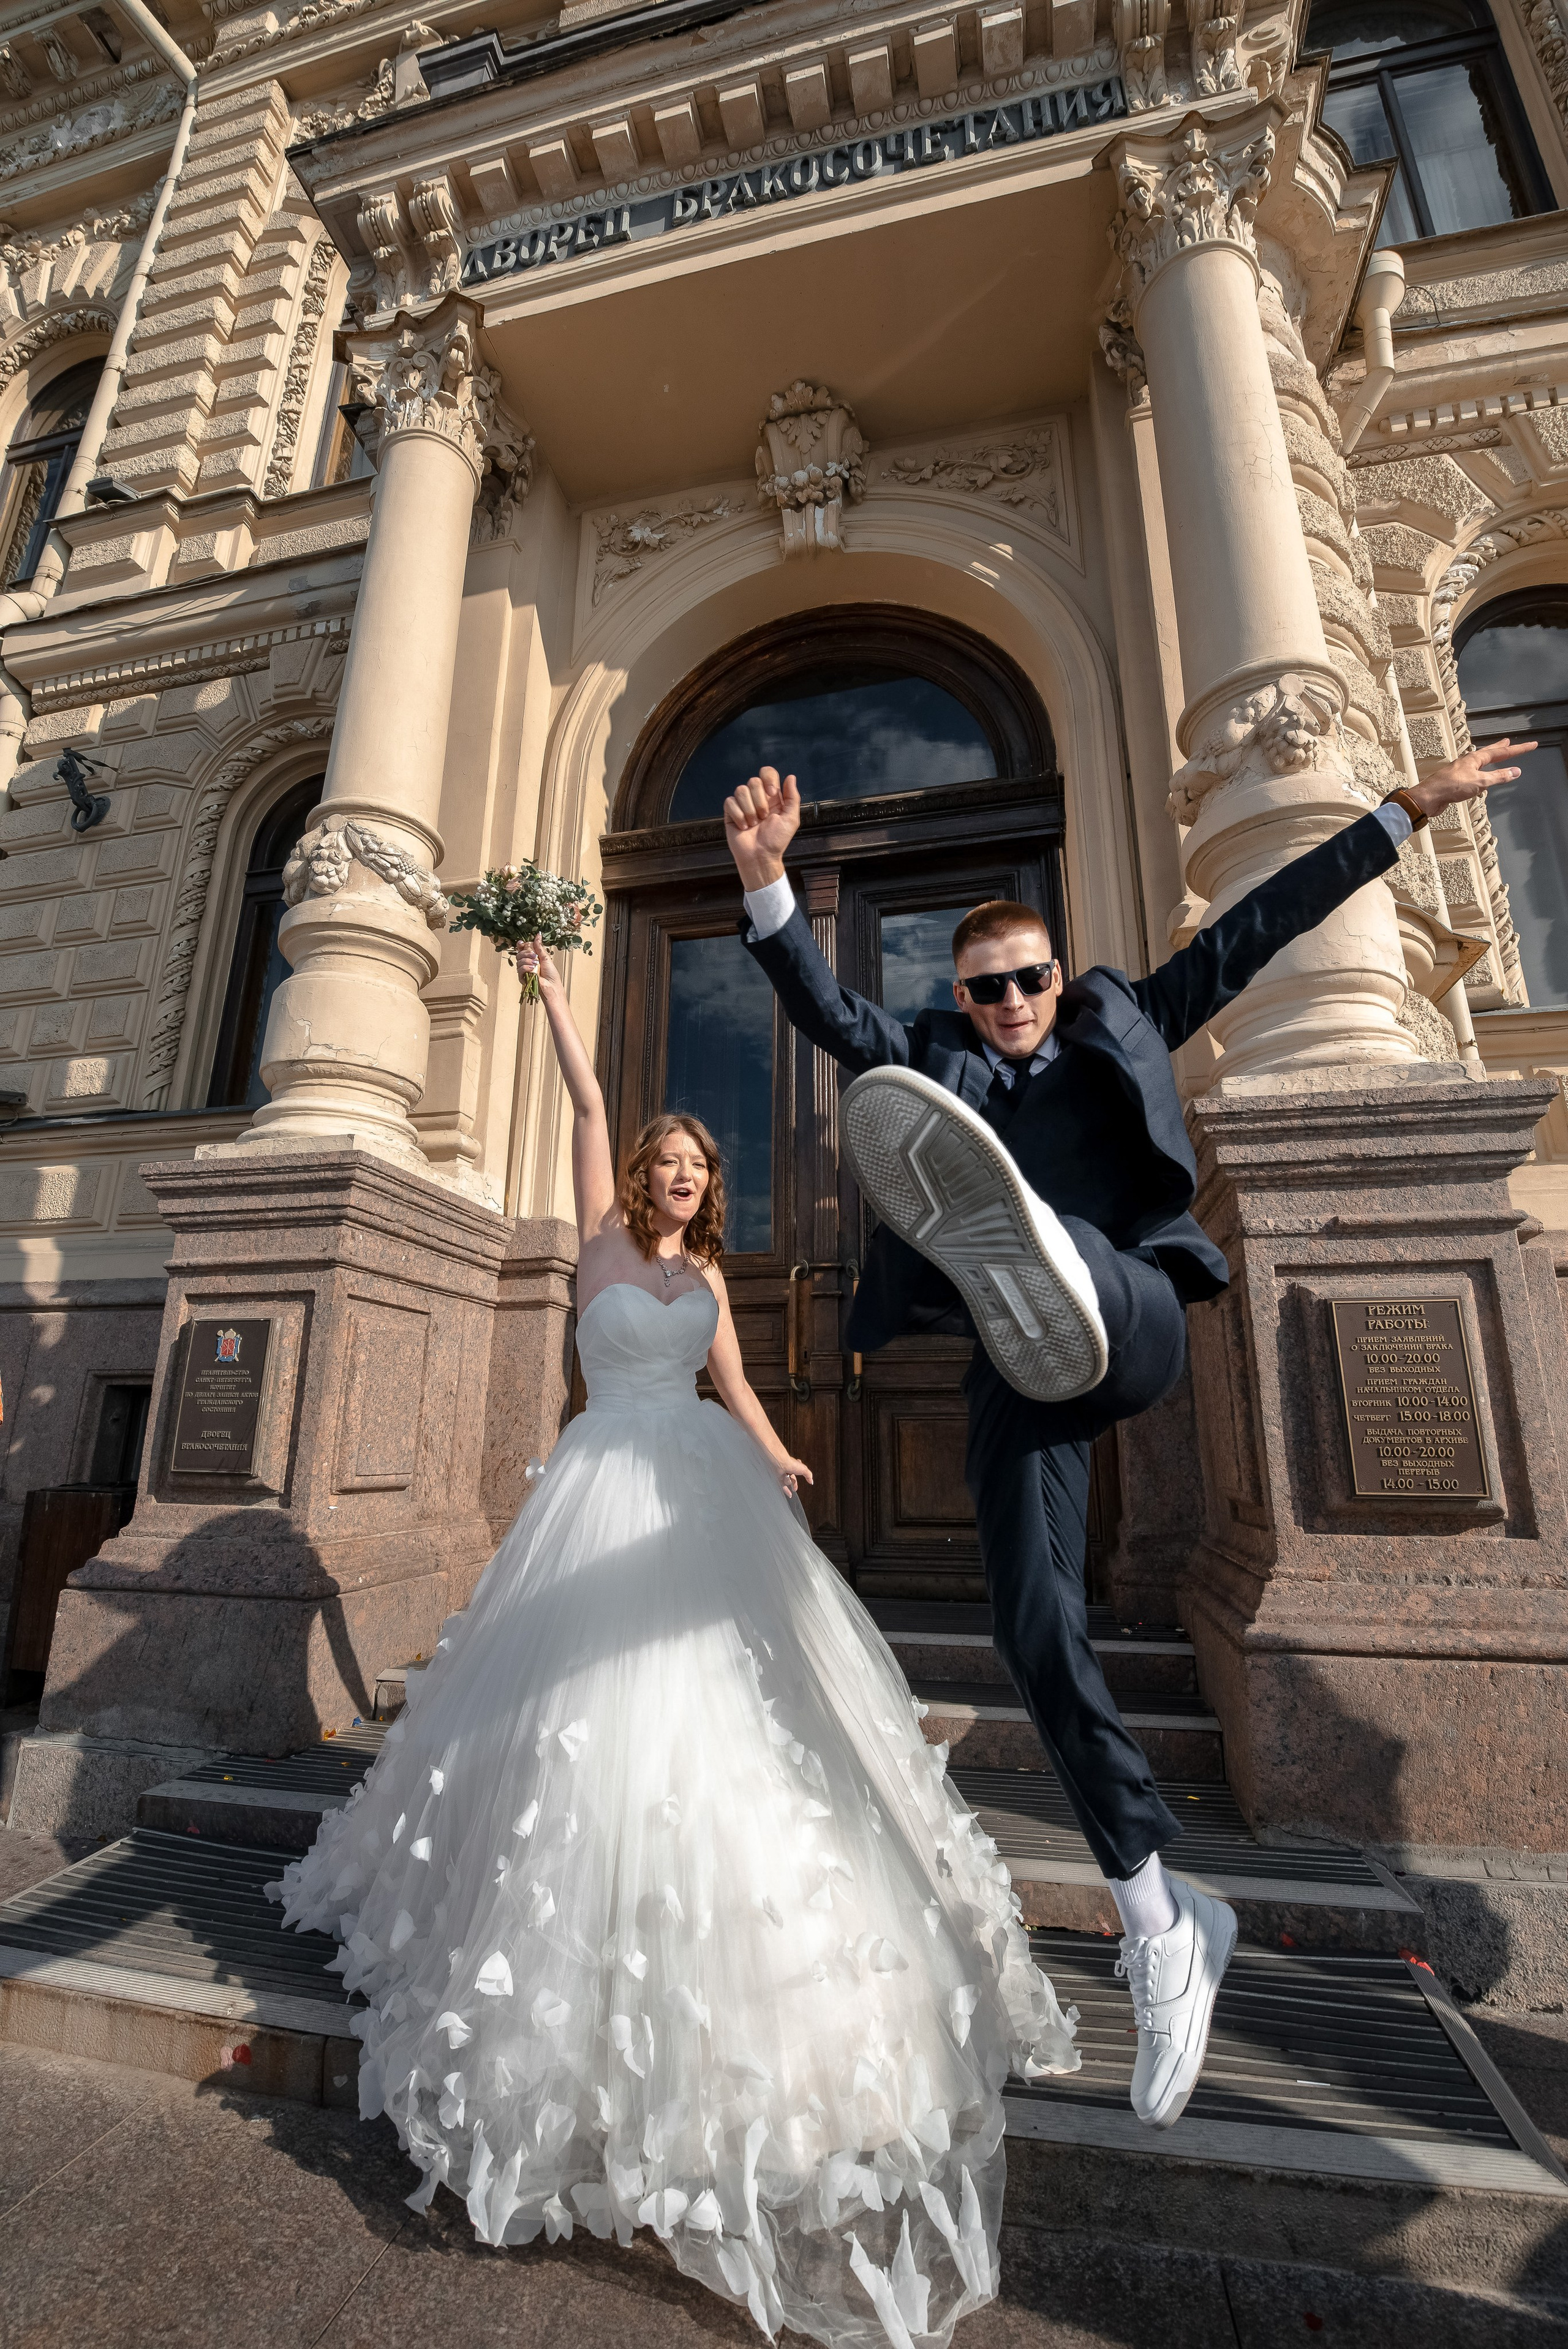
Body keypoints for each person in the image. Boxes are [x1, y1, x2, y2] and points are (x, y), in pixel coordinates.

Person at [270, 932, 1080, 2348]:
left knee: (724, 1712)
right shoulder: (597, 1239)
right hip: (598, 1491)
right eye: (669, 1164)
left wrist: (775, 1454)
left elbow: (738, 1387)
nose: (682, 1178)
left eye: (698, 1169)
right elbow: (586, 1103)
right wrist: (546, 994)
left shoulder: (709, 1281)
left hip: (697, 1491)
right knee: (578, 1714)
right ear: (640, 1172)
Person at [724, 737, 1532, 2130]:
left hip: (1134, 1311)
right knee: (1033, 1626)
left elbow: (1256, 928)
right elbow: (828, 1012)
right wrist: (765, 886)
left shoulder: (1122, 1019)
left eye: (1029, 980)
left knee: (1093, 1274)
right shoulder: (932, 1056)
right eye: (986, 989)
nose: (1011, 1004)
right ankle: (1159, 1914)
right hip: (1019, 1368)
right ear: (960, 998)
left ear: (1058, 976)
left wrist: (1400, 812)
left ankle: (1047, 1254)